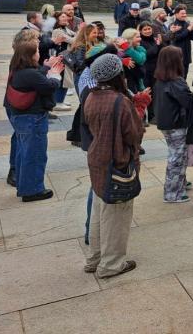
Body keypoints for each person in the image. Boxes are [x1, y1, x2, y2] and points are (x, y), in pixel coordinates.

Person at [82, 53, 143, 277]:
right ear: (118, 74)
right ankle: (111, 264)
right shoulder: (120, 100)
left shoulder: (91, 96)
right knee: (116, 215)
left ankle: (94, 258)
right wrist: (139, 111)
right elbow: (134, 135)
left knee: (99, 212)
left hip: (97, 160)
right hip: (117, 162)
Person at [5, 41, 64, 201]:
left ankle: (24, 184)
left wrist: (45, 67)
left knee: (24, 152)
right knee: (35, 154)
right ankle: (33, 191)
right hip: (33, 119)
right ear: (30, 55)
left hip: (21, 117)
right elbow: (49, 86)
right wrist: (55, 75)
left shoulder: (19, 68)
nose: (39, 53)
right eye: (37, 51)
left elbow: (36, 77)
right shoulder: (30, 74)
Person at [153, 46, 193, 203]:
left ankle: (178, 184)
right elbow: (189, 102)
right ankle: (173, 193)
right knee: (177, 158)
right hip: (177, 124)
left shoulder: (161, 80)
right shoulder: (176, 82)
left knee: (176, 155)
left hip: (167, 123)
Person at [169, 6, 193, 76]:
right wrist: (188, 30)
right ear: (176, 14)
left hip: (187, 55)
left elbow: (192, 37)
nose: (184, 15)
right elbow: (176, 38)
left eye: (185, 13)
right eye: (182, 13)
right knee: (177, 76)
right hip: (178, 55)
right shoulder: (173, 25)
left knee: (185, 75)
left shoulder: (186, 24)